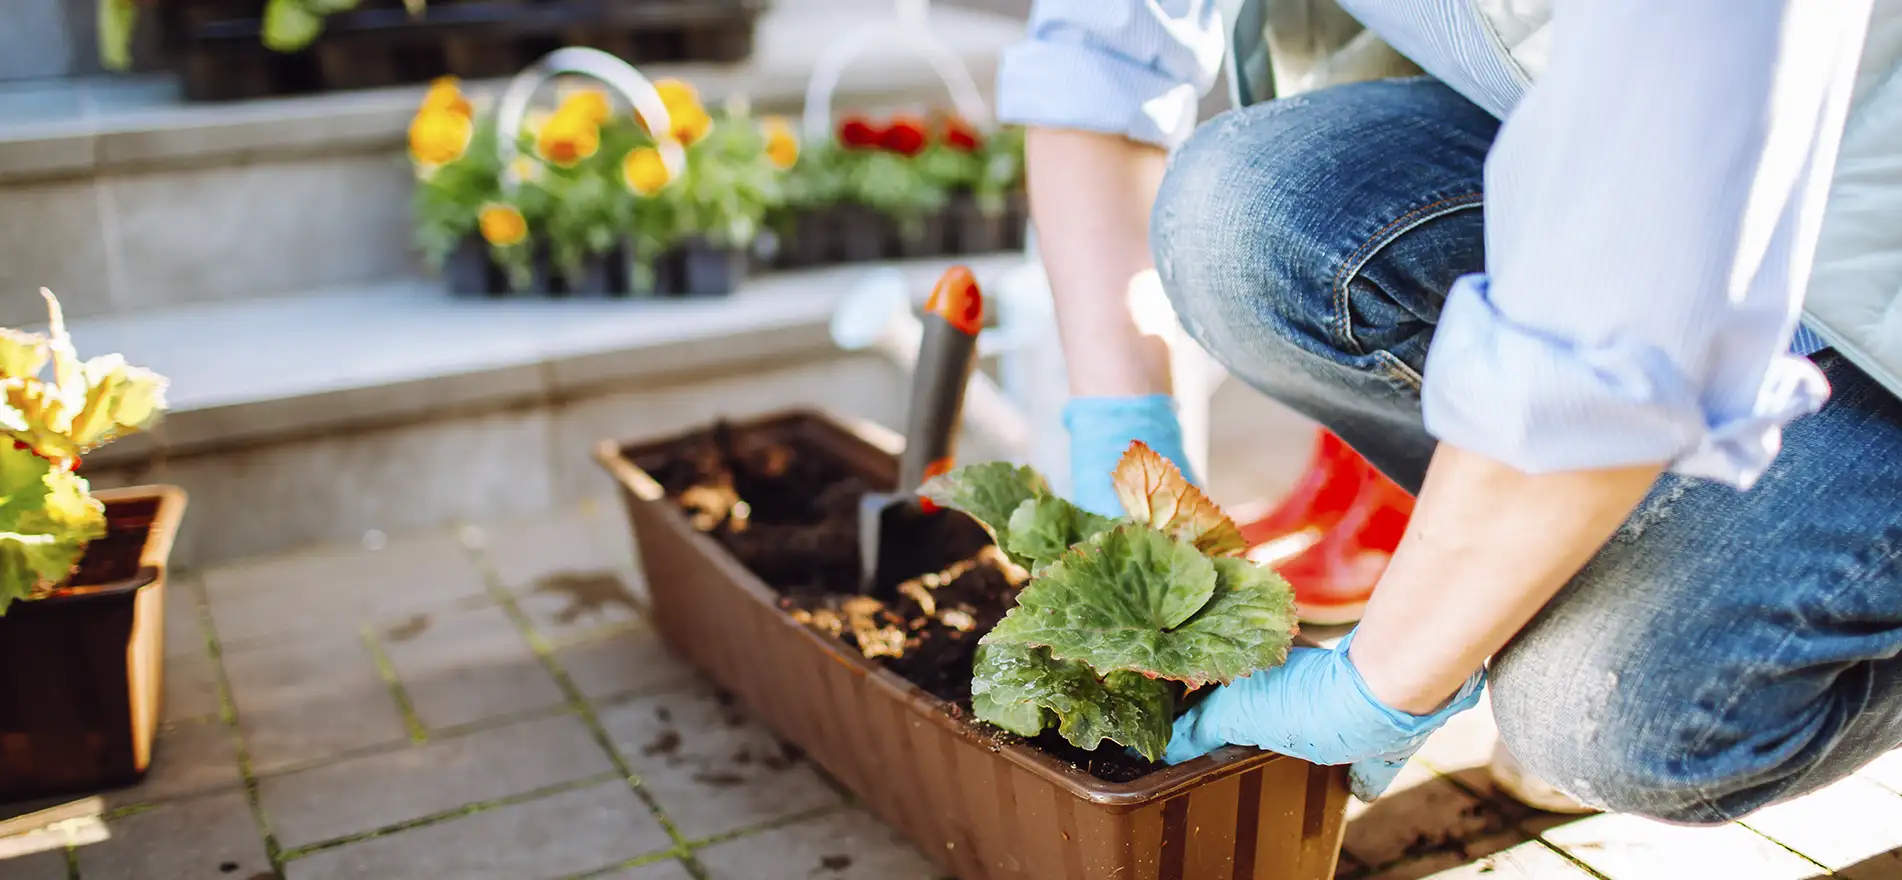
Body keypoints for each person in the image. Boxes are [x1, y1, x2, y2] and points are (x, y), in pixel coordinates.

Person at [995, 0, 1902, 822]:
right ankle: (1557, 552)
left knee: (1609, 713)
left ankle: (1570, 567)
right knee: (1241, 217)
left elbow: (1637, 290)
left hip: (1858, 302)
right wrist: (1124, 434)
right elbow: (1103, 55)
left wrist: (1389, 677)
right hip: (1615, 169)